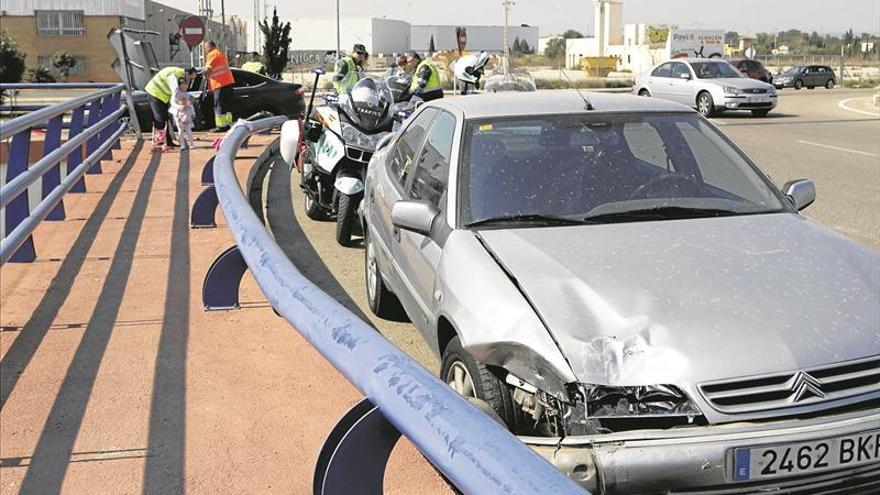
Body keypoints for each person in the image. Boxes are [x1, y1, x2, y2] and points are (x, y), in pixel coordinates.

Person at [144, 66, 197, 151]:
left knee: (165, 118)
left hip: (161, 96)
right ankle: (160, 142)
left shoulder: (179, 75)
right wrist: (179, 107)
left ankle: (167, 141)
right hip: (154, 93)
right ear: (187, 74)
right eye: (191, 78)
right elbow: (175, 94)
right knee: (160, 118)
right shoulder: (174, 77)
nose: (190, 81)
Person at [202, 40, 235, 132]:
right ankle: (228, 124)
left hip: (219, 84)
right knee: (227, 105)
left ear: (210, 47)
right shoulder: (220, 54)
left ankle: (221, 126)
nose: (205, 50)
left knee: (219, 105)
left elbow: (208, 69)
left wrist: (203, 72)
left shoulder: (212, 54)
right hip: (228, 83)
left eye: (205, 48)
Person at [170, 79, 196, 150]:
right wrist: (180, 107)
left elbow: (190, 104)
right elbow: (172, 102)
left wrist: (193, 112)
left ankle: (191, 144)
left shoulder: (187, 94)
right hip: (178, 114)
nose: (184, 86)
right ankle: (182, 145)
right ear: (179, 86)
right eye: (182, 85)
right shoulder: (176, 93)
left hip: (186, 114)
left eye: (186, 85)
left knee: (188, 130)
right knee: (180, 130)